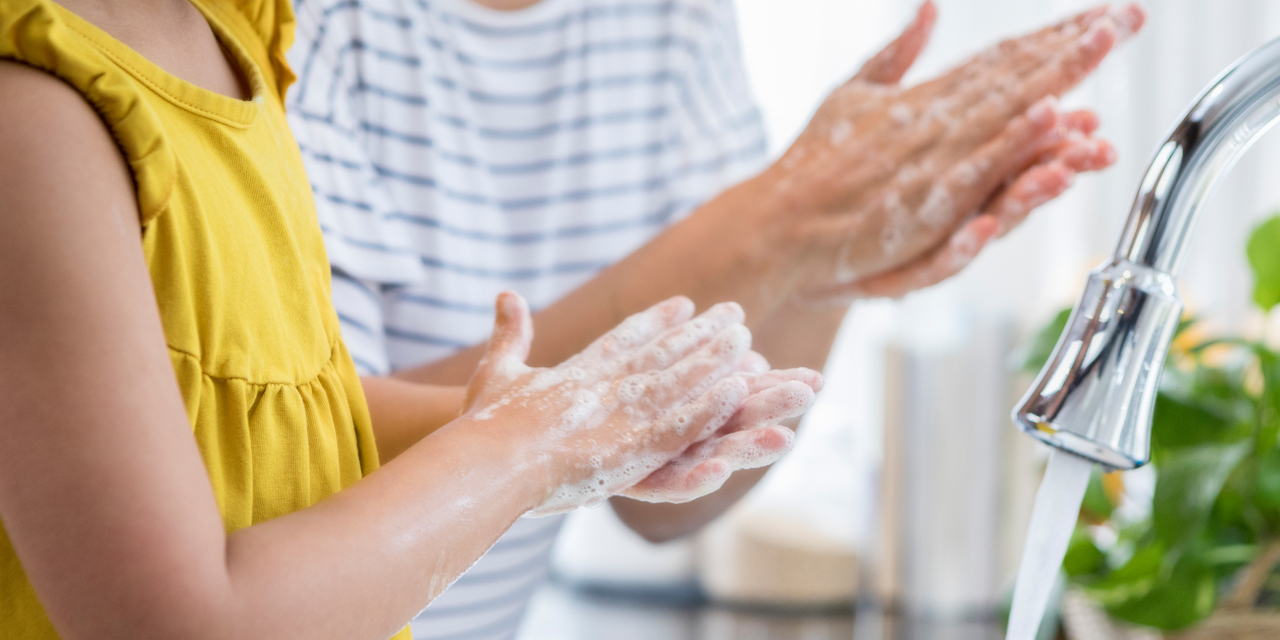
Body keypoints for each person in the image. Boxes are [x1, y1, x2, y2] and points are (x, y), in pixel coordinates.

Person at [286, 0, 1145, 636]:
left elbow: (662, 508)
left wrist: (823, 267)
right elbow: (305, 456)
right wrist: (777, 221)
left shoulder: (675, 21)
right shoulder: (304, 25)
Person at [0, 1, 822, 639]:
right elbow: (189, 622)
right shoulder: (33, 115)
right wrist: (529, 449)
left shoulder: (243, 37)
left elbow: (274, 416)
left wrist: (574, 418)